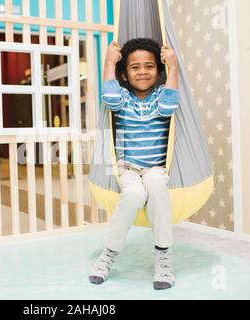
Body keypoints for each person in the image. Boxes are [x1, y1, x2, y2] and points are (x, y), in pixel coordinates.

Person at [88, 38, 180, 290]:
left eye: (149, 66)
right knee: (133, 194)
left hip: (156, 168)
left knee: (157, 187)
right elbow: (109, 97)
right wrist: (109, 62)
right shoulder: (123, 98)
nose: (142, 71)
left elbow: (169, 107)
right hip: (128, 168)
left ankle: (163, 255)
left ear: (158, 72)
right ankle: (109, 253)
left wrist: (173, 68)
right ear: (125, 75)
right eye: (135, 67)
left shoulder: (161, 96)